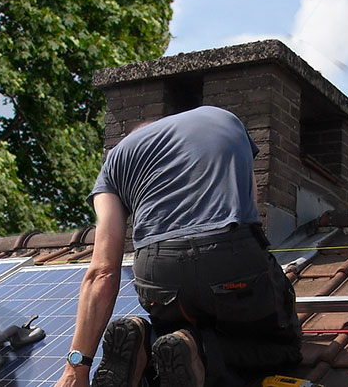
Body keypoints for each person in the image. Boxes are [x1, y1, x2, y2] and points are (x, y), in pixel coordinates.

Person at [55, 106, 302, 387]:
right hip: (230, 254)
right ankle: (201, 354)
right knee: (284, 347)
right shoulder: (223, 118)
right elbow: (252, 217)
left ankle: (146, 344)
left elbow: (102, 271)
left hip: (158, 274)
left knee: (175, 330)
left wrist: (77, 367)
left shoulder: (116, 159)